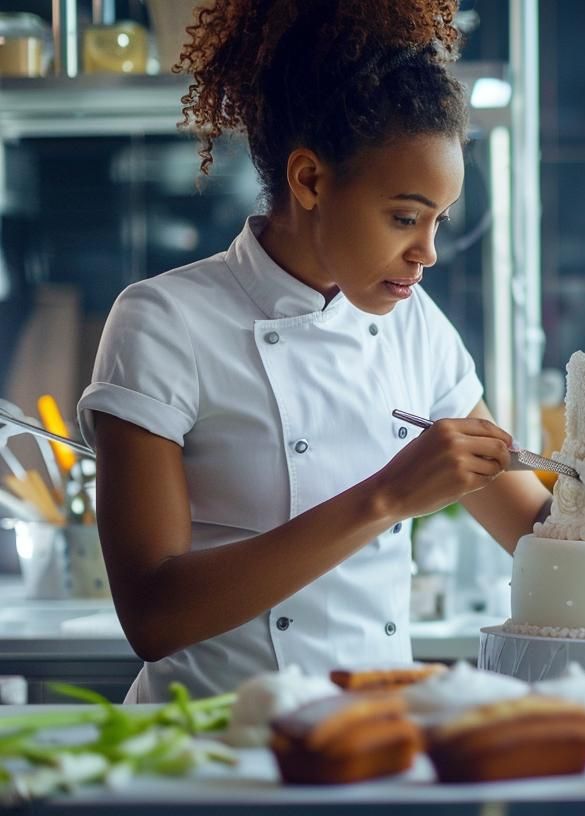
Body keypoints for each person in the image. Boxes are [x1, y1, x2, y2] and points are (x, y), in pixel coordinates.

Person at [76, 0, 551, 703]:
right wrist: (389, 497)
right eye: (404, 217)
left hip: (368, 746)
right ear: (309, 181)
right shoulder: (164, 321)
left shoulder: (415, 323)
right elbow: (154, 614)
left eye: (438, 221)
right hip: (213, 755)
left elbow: (536, 536)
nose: (427, 253)